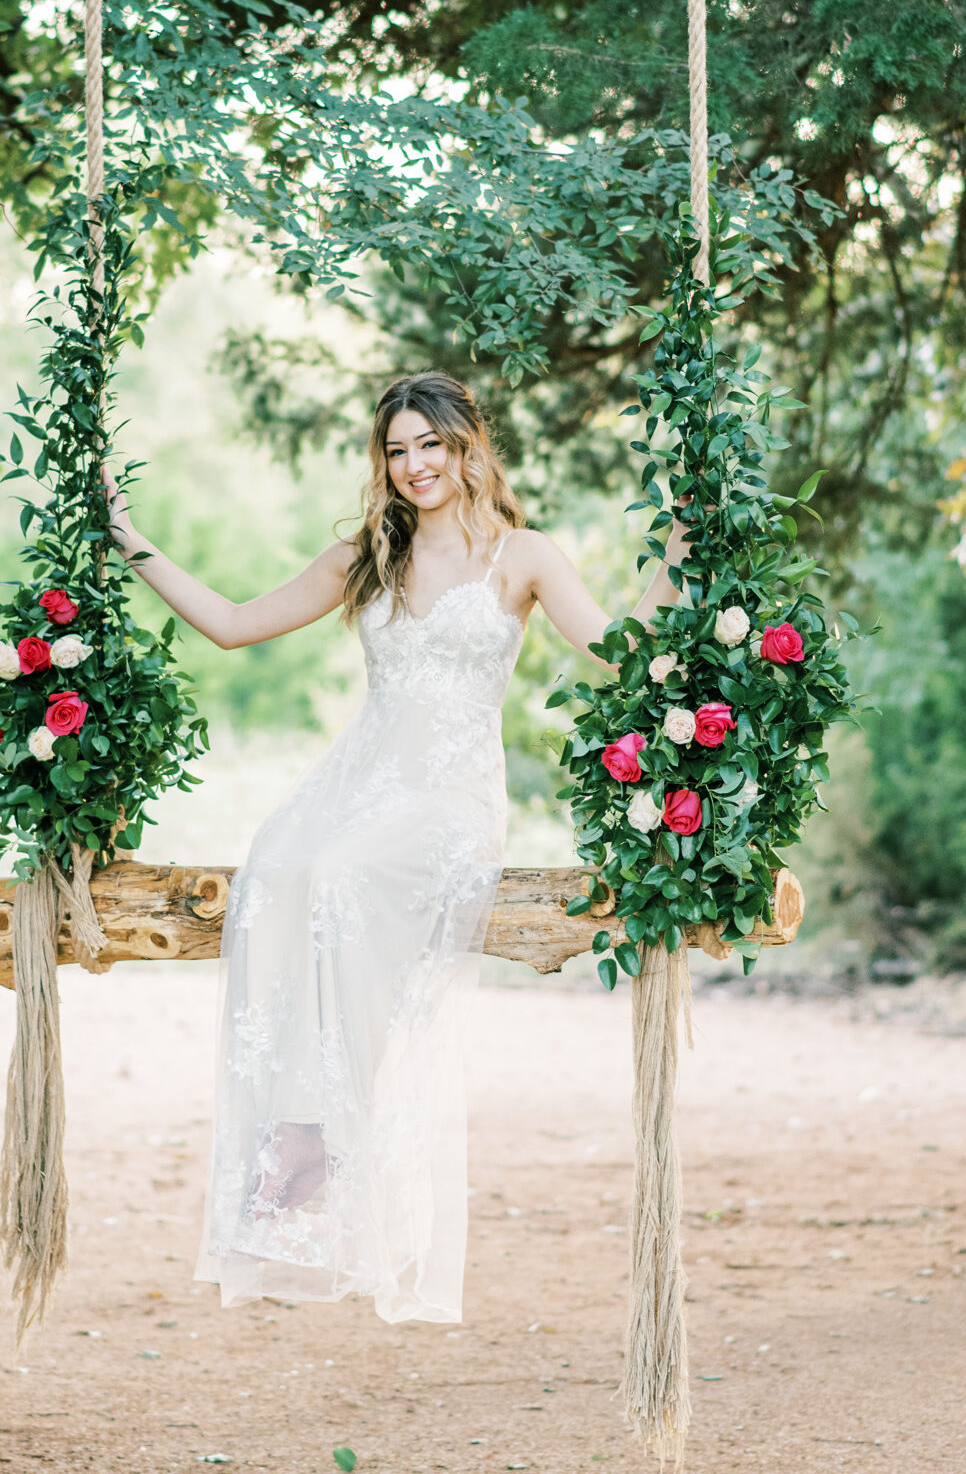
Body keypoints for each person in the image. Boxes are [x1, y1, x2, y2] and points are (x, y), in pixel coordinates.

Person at [102, 370, 688, 1324]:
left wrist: (676, 548)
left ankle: (324, 1136)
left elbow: (621, 650)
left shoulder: (522, 556)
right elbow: (233, 625)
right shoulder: (365, 556)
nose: (414, 465)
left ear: (467, 447)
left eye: (431, 445)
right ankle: (297, 1122)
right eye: (396, 449)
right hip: (359, 782)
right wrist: (134, 546)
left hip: (450, 798)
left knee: (337, 877)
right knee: (278, 871)